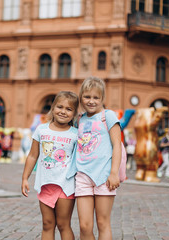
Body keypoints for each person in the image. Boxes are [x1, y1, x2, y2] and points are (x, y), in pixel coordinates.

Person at [69, 76, 122, 240]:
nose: (91, 101)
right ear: (81, 97)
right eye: (87, 97)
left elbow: (117, 146)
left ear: (102, 98)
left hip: (104, 176)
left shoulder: (109, 116)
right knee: (84, 226)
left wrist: (114, 173)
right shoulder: (80, 119)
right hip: (83, 176)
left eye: (95, 97)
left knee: (102, 222)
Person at [21, 91, 79, 240]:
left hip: (66, 186)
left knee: (63, 224)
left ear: (74, 113)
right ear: (53, 108)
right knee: (47, 224)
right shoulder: (41, 129)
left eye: (69, 109)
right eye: (60, 107)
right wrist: (25, 178)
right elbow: (33, 155)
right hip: (45, 184)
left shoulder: (75, 134)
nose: (63, 111)